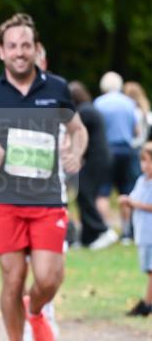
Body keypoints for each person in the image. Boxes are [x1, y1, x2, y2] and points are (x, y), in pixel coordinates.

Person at [0, 12, 87, 341]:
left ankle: (35, 309)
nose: (19, 52)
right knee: (12, 278)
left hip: (48, 199)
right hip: (3, 201)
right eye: (12, 46)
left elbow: (78, 131)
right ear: (1, 51)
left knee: (48, 277)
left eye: (26, 46)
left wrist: (76, 151)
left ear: (35, 49)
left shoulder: (57, 89)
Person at [68, 81, 118, 249]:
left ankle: (102, 230)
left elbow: (74, 132)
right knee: (86, 194)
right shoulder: (89, 109)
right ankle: (87, 238)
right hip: (99, 158)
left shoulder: (84, 112)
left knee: (85, 194)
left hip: (96, 158)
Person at [94, 72, 139, 241]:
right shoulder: (129, 103)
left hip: (107, 150)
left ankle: (106, 230)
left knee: (103, 192)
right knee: (126, 190)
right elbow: (136, 130)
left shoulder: (99, 103)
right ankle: (127, 232)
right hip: (127, 151)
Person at [119, 141, 152, 317]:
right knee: (148, 269)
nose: (145, 165)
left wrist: (134, 203)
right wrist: (126, 202)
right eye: (143, 161)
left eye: (149, 161)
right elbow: (133, 200)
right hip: (142, 233)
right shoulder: (141, 181)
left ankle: (147, 304)